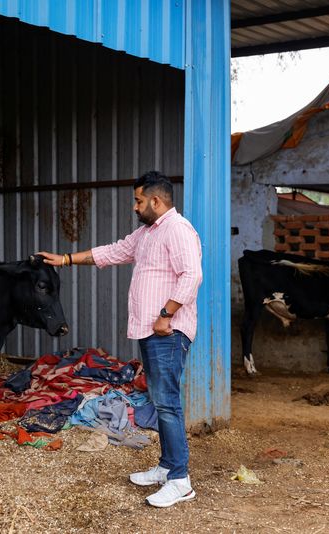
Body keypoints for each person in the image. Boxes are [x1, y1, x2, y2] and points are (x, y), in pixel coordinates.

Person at [36, 171, 203, 508]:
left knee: (167, 404)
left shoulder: (178, 229)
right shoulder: (147, 234)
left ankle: (180, 480)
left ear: (156, 201)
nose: (135, 206)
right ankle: (167, 466)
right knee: (160, 401)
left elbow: (193, 274)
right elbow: (112, 252)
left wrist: (166, 314)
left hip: (167, 332)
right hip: (152, 331)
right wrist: (66, 259)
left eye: (139, 201)